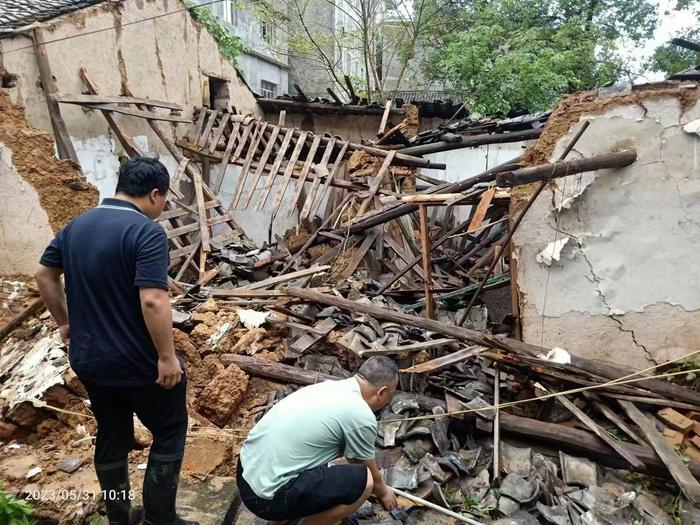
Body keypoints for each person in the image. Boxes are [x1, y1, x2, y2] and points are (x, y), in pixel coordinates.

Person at [35, 157, 197, 525]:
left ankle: (120, 518)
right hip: (138, 361)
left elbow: (44, 275)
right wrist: (167, 357)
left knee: (111, 435)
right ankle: (160, 519)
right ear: (155, 194)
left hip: (90, 359)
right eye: (165, 199)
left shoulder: (76, 226)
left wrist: (65, 323)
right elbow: (154, 299)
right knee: (169, 432)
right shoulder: (146, 232)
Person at [237, 356, 400, 525]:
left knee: (322, 461)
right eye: (391, 395)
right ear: (381, 391)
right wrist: (383, 493)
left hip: (245, 474)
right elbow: (365, 467)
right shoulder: (360, 414)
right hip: (264, 500)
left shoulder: (330, 387)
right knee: (366, 481)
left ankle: (283, 519)